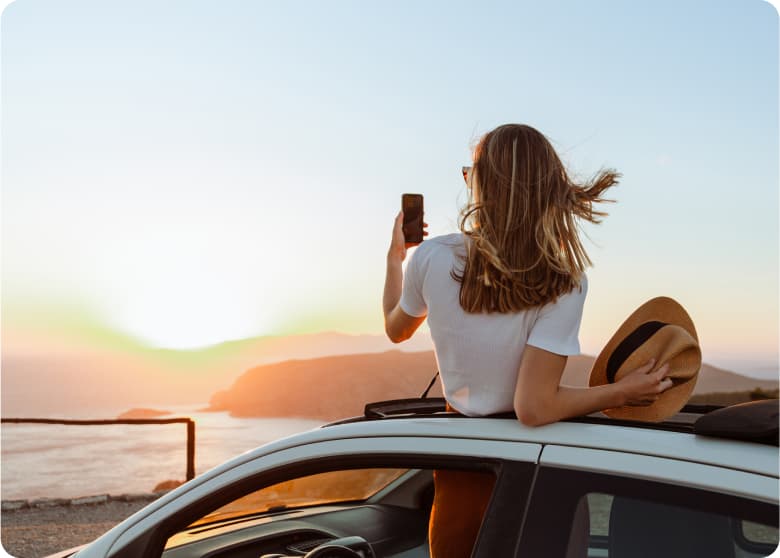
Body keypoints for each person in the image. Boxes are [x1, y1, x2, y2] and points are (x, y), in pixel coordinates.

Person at [382, 123, 673, 558]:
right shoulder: (564, 281)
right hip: (537, 470)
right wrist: (623, 392)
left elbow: (396, 328)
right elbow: (535, 408)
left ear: (483, 185)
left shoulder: (431, 258)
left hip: (461, 470)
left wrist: (395, 259)